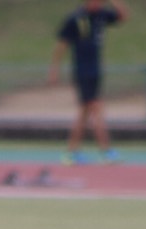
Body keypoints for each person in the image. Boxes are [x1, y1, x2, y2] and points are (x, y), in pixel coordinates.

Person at [48, 0, 129, 166]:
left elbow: (122, 17)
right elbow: (62, 44)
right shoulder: (75, 18)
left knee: (84, 113)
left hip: (96, 70)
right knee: (96, 107)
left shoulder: (101, 15)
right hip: (82, 71)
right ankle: (106, 151)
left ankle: (71, 152)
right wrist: (54, 69)